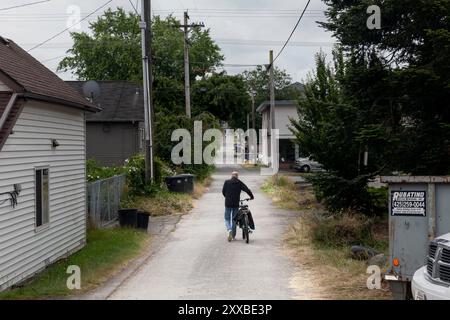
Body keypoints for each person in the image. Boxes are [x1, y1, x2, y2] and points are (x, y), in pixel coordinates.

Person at [222, 171, 254, 242]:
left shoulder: (227, 182)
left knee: (227, 219)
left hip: (228, 203)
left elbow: (223, 192)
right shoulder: (239, 183)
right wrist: (251, 196)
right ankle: (233, 236)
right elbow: (247, 189)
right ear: (237, 176)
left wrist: (227, 197)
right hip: (236, 204)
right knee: (234, 219)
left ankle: (229, 229)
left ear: (231, 176)